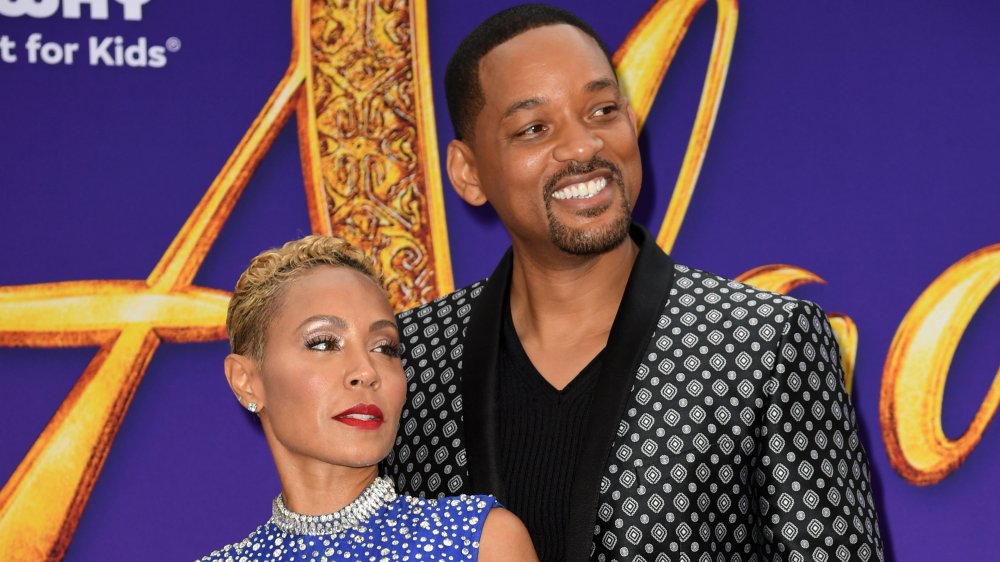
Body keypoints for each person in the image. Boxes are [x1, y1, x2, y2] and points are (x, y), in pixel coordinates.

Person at [384, 4, 884, 562]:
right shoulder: (406, 363)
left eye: (601, 110)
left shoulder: (767, 345)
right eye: (534, 128)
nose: (582, 147)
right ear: (468, 173)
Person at [198, 236, 537, 561]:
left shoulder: (478, 542)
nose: (367, 370)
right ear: (246, 381)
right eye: (324, 343)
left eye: (384, 348)